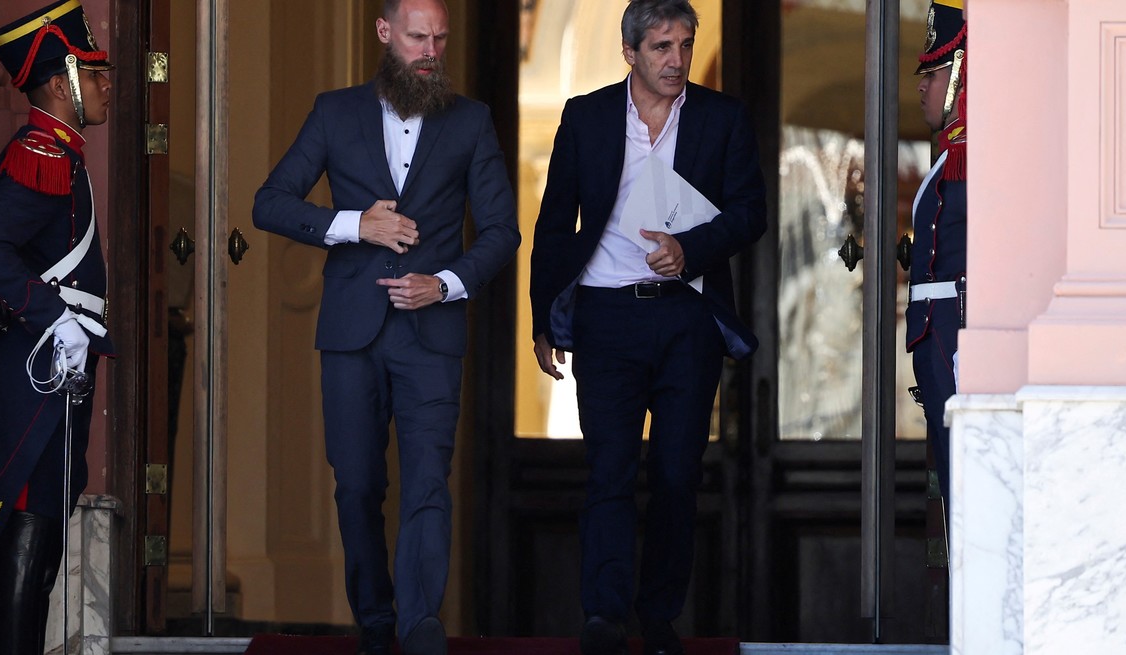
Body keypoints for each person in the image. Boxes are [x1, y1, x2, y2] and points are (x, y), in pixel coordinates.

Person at [252, 1, 520, 653]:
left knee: (428, 480)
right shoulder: (333, 112)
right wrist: (354, 224)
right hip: (351, 333)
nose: (430, 51)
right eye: (417, 37)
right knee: (357, 485)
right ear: (384, 32)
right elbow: (269, 203)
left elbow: (502, 231)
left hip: (432, 333)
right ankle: (375, 619)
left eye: (440, 39)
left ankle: (420, 624)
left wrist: (445, 283)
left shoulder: (471, 121)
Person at [529, 1, 766, 654]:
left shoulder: (722, 117)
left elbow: (750, 212)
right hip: (605, 316)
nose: (677, 60)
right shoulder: (586, 116)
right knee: (609, 469)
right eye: (662, 47)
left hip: (686, 317)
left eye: (686, 45)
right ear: (630, 53)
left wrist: (690, 248)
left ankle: (658, 617)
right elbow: (554, 222)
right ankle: (604, 616)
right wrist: (542, 319)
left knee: (676, 473)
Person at [0, 1, 114, 653]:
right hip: (31, 381)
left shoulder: (65, 157)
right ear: (59, 83)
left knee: (41, 546)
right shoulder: (40, 153)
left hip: (52, 379)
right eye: (94, 74)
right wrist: (55, 318)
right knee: (25, 538)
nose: (105, 87)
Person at [907, 0, 967, 521]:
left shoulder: (975, 153)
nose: (922, 87)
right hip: (937, 335)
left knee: (963, 484)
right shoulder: (951, 153)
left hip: (955, 334)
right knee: (950, 480)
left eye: (933, 73)